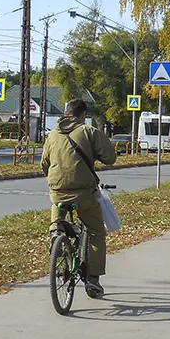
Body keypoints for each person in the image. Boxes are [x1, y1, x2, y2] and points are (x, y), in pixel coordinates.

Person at [41, 99, 117, 298]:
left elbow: (44, 163)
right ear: (83, 114)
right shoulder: (88, 132)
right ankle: (93, 279)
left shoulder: (52, 135)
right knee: (96, 232)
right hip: (84, 193)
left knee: (56, 214)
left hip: (57, 190)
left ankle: (56, 235)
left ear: (66, 113)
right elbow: (110, 158)